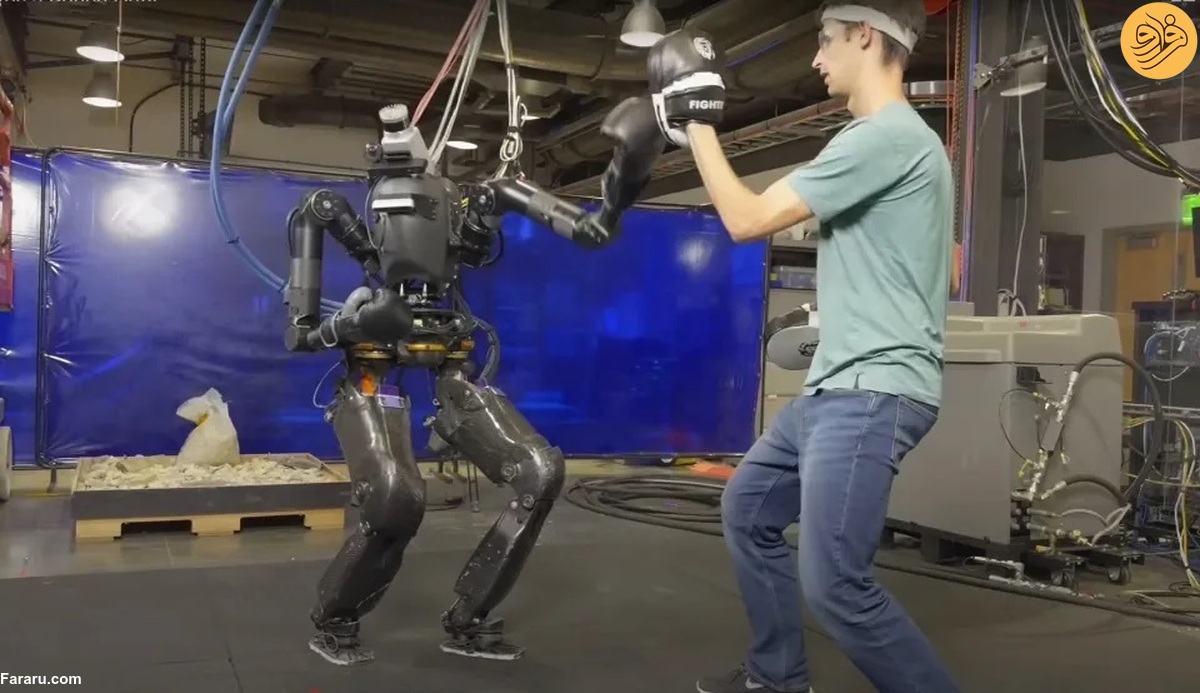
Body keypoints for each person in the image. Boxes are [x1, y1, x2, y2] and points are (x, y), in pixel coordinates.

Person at [646, 2, 959, 692]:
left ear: (865, 36)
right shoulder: (880, 142)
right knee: (748, 508)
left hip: (871, 391)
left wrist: (696, 122)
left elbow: (746, 218)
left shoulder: (885, 137)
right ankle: (777, 675)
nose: (816, 58)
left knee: (837, 584)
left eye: (825, 41)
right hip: (834, 387)